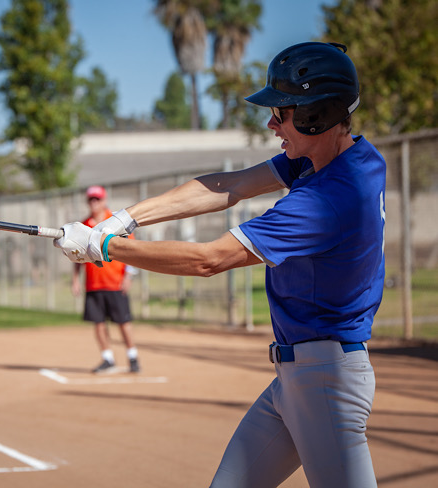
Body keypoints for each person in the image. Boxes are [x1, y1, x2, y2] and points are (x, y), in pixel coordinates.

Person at [54, 42, 385, 487]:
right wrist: (127, 217)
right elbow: (229, 185)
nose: (272, 125)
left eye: (282, 113)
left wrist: (106, 247)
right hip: (296, 378)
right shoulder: (346, 158)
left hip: (326, 384)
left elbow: (207, 259)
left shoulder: (326, 200)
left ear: (316, 115)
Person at [73, 185, 141, 374]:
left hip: (115, 282)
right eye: (91, 200)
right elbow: (77, 255)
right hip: (93, 284)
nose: (94, 203)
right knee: (99, 323)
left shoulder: (116, 222)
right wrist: (75, 280)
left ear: (104, 201)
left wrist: (129, 276)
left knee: (123, 322)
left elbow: (132, 250)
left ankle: (133, 356)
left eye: (97, 199)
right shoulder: (83, 225)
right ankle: (108, 359)